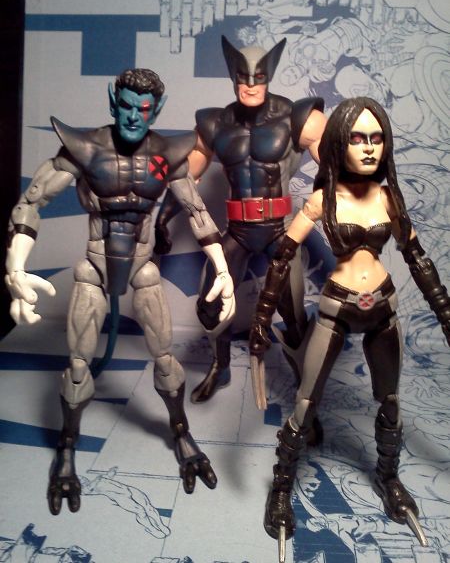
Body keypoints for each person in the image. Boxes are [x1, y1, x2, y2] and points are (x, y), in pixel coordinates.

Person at [5, 68, 235, 515]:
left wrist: (222, 270)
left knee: (165, 358)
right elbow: (32, 202)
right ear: (114, 102)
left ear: (156, 111)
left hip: (143, 268)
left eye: (143, 109)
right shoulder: (85, 149)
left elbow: (197, 211)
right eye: (126, 106)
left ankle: (182, 434)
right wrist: (15, 267)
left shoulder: (168, 153)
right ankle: (67, 447)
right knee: (78, 367)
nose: (133, 116)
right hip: (94, 268)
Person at [249, 97, 450, 557]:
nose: (369, 147)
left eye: (376, 138)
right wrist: (261, 317)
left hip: (382, 308)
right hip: (337, 307)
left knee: (390, 402)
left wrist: (444, 311)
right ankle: (281, 489)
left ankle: (389, 478)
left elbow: (417, 258)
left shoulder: (388, 198)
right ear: (340, 143)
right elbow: (281, 258)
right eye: (358, 138)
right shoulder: (322, 200)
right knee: (305, 403)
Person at [154, 36, 327, 404]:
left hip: (281, 230)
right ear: (233, 77)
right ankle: (221, 366)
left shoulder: (297, 117)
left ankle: (304, 382)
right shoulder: (216, 123)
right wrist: (163, 219)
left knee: (292, 312)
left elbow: (336, 169)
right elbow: (186, 178)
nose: (250, 85)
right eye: (243, 78)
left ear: (269, 76)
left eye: (258, 78)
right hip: (238, 230)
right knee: (211, 304)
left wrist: (346, 211)